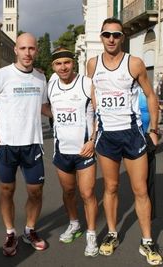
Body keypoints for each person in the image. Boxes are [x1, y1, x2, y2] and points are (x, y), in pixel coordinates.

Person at [86, 18, 163, 265]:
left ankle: (147, 241)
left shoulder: (135, 63)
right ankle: (112, 234)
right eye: (107, 34)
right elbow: (93, 93)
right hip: (106, 136)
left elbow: (151, 96)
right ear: (101, 37)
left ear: (122, 38)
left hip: (131, 134)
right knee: (110, 188)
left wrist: (153, 129)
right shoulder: (92, 64)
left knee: (140, 190)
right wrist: (95, 125)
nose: (111, 39)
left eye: (116, 35)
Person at [0, 33, 52, 257]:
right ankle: (10, 232)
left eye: (32, 48)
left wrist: (69, 115)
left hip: (32, 145)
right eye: (23, 48)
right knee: (7, 191)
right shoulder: (1, 75)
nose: (27, 52)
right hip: (6, 145)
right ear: (16, 50)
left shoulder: (40, 78)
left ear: (36, 51)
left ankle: (29, 230)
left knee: (36, 191)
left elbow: (44, 107)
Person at [48, 48, 99, 257]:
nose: (63, 67)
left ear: (73, 63)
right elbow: (45, 107)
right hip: (61, 151)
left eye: (67, 62)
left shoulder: (87, 83)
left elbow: (99, 113)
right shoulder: (51, 85)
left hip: (84, 150)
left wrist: (93, 140)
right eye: (59, 64)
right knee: (68, 192)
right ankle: (74, 224)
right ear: (53, 66)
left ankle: (92, 234)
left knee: (87, 193)